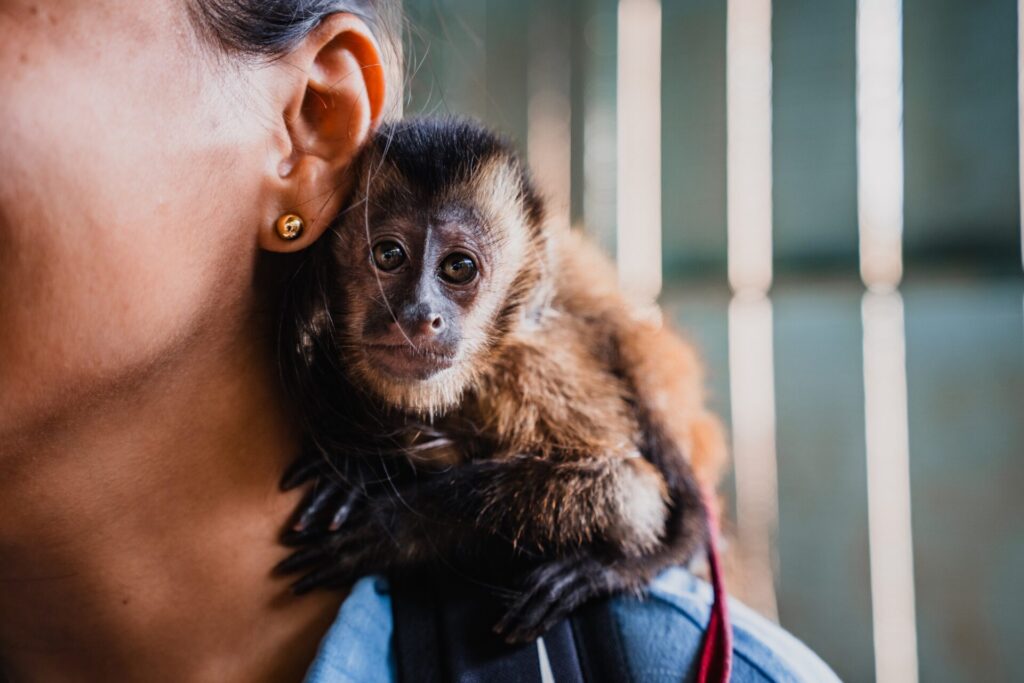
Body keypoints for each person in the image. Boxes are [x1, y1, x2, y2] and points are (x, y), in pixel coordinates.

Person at [0, 1, 839, 681]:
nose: (420, 311)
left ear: (312, 128)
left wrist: (427, 518)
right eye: (390, 256)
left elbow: (645, 503)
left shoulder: (655, 656)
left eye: (460, 271)